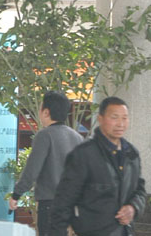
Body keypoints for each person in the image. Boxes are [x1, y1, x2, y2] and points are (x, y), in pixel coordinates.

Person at [49, 96, 146, 236]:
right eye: (114, 117)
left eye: (124, 118)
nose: (120, 124)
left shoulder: (131, 154)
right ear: (100, 119)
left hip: (124, 232)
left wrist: (133, 207)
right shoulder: (84, 154)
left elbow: (140, 190)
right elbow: (63, 202)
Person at [8, 91, 83, 236]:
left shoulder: (44, 135)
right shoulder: (77, 137)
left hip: (50, 205)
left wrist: (16, 194)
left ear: (46, 112)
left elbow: (32, 170)